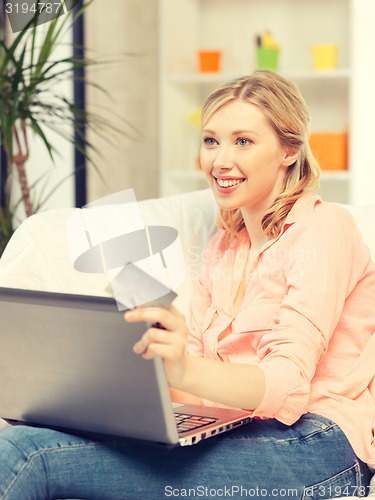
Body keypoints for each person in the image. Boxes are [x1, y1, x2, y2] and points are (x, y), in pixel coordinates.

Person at [0, 70, 375, 499]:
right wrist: (119, 381)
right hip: (236, 433)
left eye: (244, 141)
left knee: (29, 456)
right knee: (36, 436)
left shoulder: (325, 229)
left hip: (318, 445)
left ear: (289, 150)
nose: (220, 160)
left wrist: (183, 367)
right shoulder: (222, 248)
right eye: (211, 141)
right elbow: (196, 374)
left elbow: (287, 384)